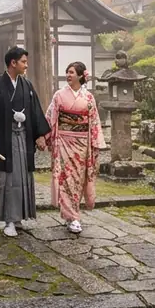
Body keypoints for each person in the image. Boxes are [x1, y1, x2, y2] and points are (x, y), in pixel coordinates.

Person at [0, 46, 51, 237]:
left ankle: (18, 217)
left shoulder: (27, 85)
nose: (26, 65)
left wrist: (40, 135)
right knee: (7, 180)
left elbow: (35, 111)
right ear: (13, 63)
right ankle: (8, 220)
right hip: (3, 141)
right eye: (23, 61)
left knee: (22, 178)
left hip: (23, 138)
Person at [45, 61, 106, 234]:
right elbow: (50, 117)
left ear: (80, 75)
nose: (68, 75)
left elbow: (94, 121)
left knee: (79, 180)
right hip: (64, 141)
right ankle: (72, 217)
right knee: (66, 178)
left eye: (71, 72)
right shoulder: (59, 95)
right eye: (67, 72)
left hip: (82, 144)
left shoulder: (89, 97)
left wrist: (96, 143)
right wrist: (44, 137)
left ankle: (73, 213)